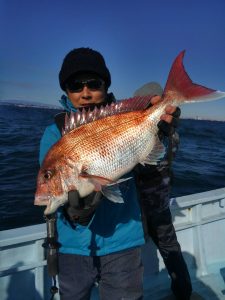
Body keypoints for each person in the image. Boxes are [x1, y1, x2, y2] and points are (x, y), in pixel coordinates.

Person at [39, 47, 183, 300]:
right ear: (66, 90)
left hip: (123, 239)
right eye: (75, 86)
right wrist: (77, 209)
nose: (85, 93)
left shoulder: (128, 116)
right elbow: (52, 179)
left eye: (93, 84)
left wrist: (164, 134)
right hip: (72, 244)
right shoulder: (55, 134)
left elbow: (159, 163)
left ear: (106, 86)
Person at [133, 82, 192, 300]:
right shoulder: (173, 133)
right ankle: (184, 291)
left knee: (131, 254)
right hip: (161, 201)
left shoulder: (163, 133)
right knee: (170, 248)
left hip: (140, 207)